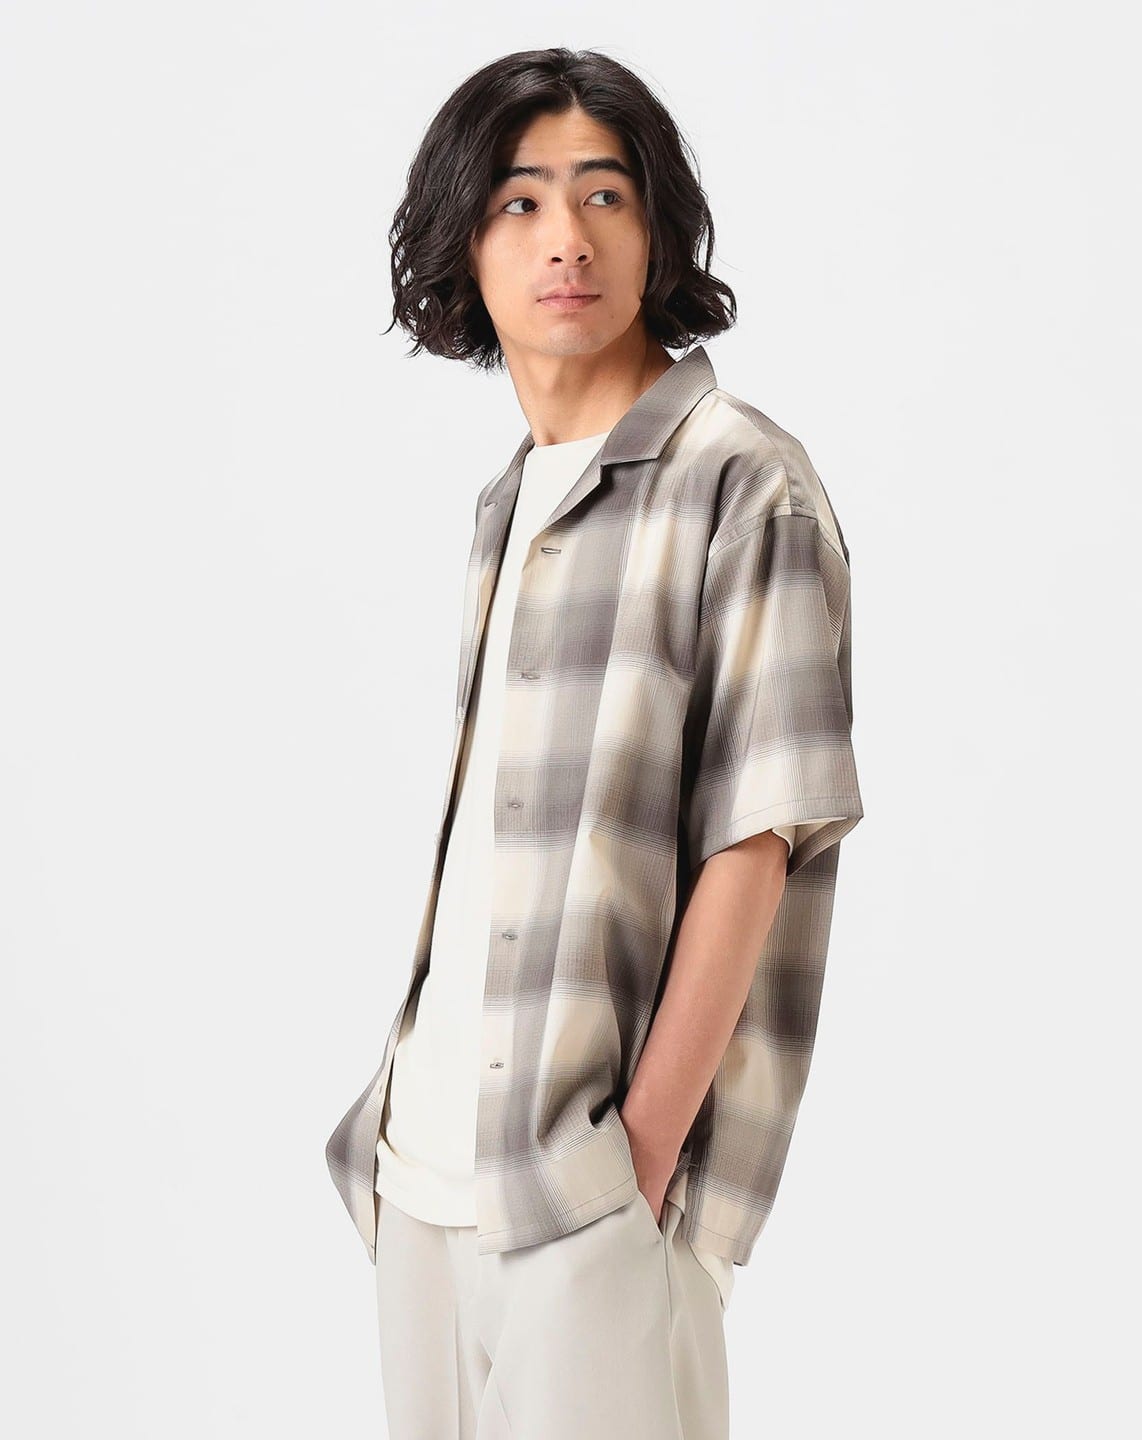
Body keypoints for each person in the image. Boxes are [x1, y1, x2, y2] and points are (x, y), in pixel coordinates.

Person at [325, 46, 865, 1440]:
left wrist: (635, 1160)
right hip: (423, 1173)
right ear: (464, 243)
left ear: (658, 229)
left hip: (587, 1199)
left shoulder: (743, 479)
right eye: (518, 201)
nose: (565, 236)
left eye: (604, 194)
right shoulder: (508, 502)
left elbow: (761, 838)